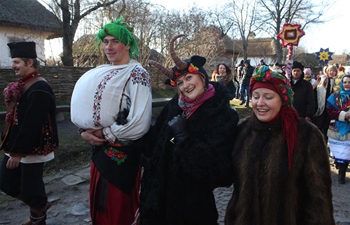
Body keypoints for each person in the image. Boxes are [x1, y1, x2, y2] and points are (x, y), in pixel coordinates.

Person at [140, 34, 239, 225]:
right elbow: (153, 145)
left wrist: (184, 138)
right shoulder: (173, 106)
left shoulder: (223, 115)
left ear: (202, 77)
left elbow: (219, 173)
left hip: (192, 208)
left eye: (189, 78)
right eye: (180, 83)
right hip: (159, 202)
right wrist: (131, 130)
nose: (185, 86)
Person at [225, 65, 335, 225]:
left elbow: (318, 198)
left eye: (268, 97)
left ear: (283, 100)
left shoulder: (306, 135)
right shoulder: (243, 131)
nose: (260, 103)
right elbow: (225, 177)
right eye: (255, 96)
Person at [70, 17, 152, 225]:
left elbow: (139, 121)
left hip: (123, 157)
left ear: (128, 45)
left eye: (115, 41)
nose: (109, 46)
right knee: (99, 205)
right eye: (106, 41)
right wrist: (84, 132)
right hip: (98, 153)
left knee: (118, 210)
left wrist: (103, 134)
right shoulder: (100, 71)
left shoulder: (137, 74)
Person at [0, 41, 59, 225]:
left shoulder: (40, 88)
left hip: (33, 148)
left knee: (31, 190)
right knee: (5, 182)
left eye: (17, 61)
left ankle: (37, 217)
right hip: (17, 145)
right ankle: (40, 206)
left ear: (30, 62)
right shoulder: (25, 84)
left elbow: (32, 125)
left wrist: (18, 153)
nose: (13, 66)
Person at [326, 74, 350, 184]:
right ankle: (338, 164)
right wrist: (342, 115)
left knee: (347, 152)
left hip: (348, 128)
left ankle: (342, 172)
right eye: (345, 82)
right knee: (338, 151)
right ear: (341, 83)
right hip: (336, 126)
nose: (347, 84)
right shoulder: (335, 96)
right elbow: (329, 110)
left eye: (349, 82)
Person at [312, 65, 337, 141]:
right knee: (318, 126)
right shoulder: (321, 80)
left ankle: (325, 144)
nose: (331, 72)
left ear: (335, 72)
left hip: (330, 108)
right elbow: (313, 90)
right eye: (329, 70)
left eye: (333, 70)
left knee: (326, 128)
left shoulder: (336, 83)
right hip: (320, 108)